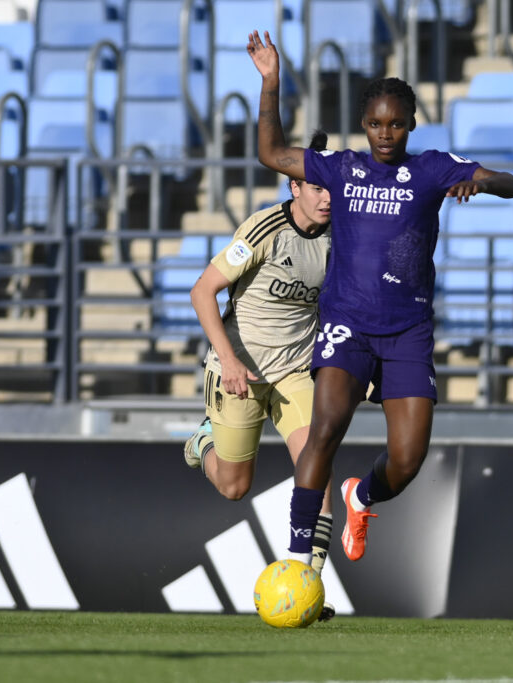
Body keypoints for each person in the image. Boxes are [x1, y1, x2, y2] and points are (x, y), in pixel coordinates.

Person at [246, 30, 513, 565]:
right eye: (375, 123)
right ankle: (300, 561)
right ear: (363, 124)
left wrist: (482, 183)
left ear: (412, 124)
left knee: (407, 459)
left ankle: (361, 496)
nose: (385, 133)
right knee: (324, 430)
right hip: (348, 321)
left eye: (396, 123)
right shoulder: (341, 168)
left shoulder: (434, 168)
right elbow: (271, 153)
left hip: (407, 332)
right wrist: (271, 84)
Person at [181, 131, 336, 619]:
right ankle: (201, 443)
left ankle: (308, 586)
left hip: (295, 371)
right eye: (316, 187)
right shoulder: (264, 229)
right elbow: (202, 292)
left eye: (332, 186)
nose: (327, 196)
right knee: (234, 487)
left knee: (318, 466)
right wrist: (227, 360)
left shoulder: (343, 237)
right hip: (240, 369)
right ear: (295, 188)